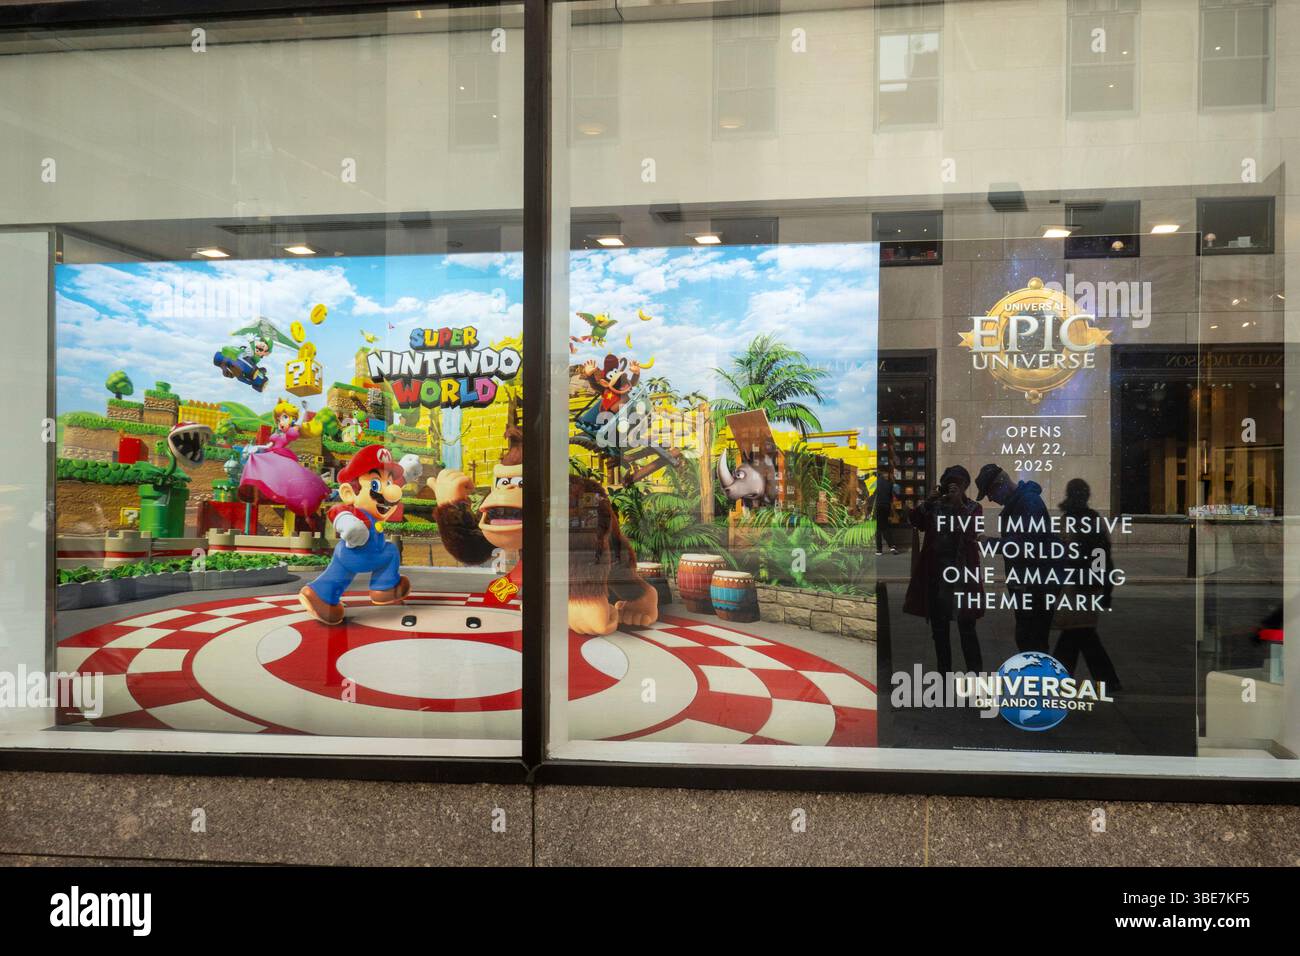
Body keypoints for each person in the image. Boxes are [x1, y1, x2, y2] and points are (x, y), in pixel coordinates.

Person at [299, 443, 411, 625]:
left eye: (389, 483)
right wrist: (350, 525)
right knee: (385, 554)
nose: (390, 491)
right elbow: (337, 512)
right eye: (375, 484)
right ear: (349, 493)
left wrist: (406, 475)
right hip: (355, 552)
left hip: (369, 553)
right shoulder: (355, 512)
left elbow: (391, 493)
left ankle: (323, 597)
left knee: (383, 555)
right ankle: (383, 588)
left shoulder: (375, 514)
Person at [903, 465, 985, 673]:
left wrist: (959, 506)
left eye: (959, 483)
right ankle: (944, 674)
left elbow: (973, 531)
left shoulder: (973, 507)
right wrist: (928, 502)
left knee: (967, 628)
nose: (954, 487)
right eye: (950, 483)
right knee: (939, 631)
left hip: (963, 578)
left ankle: (975, 674)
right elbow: (914, 520)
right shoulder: (935, 507)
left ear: (965, 486)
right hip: (937, 578)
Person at [974, 463, 1061, 652]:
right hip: (1030, 584)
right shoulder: (1021, 502)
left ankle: (1038, 672)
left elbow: (1027, 545)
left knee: (1031, 641)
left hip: (1035, 586)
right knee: (1029, 639)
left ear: (1001, 483)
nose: (990, 498)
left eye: (990, 492)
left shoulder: (1028, 502)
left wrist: (990, 544)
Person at [1052, 478, 1122, 691]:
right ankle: (1105, 680)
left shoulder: (1067, 519)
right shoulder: (1094, 519)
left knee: (1078, 632)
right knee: (1081, 633)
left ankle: (1061, 680)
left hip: (1073, 584)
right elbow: (1104, 556)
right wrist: (1106, 588)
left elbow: (1060, 556)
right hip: (1091, 584)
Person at [238, 397, 330, 520]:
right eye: (279, 419)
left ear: (292, 420)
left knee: (284, 475)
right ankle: (258, 494)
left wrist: (304, 411)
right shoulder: (276, 435)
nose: (281, 422)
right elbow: (268, 446)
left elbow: (297, 426)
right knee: (257, 463)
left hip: (282, 456)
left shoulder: (289, 434)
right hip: (272, 454)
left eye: (285, 417)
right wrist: (256, 447)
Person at [872, 465, 900, 555]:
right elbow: (893, 496)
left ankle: (880, 549)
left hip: (879, 507)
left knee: (879, 528)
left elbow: (872, 494)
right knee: (884, 526)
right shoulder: (890, 483)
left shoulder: (876, 482)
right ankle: (892, 546)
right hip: (886, 507)